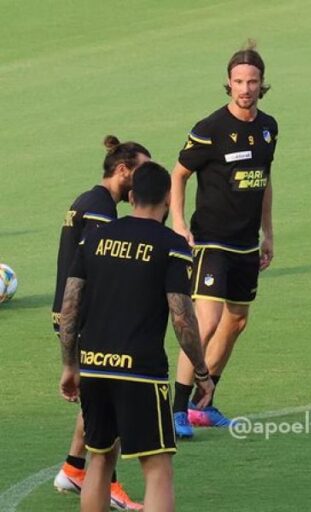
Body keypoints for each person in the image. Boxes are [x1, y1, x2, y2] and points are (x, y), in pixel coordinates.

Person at [58, 161, 214, 512]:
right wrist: (201, 371)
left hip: (94, 365)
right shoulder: (171, 245)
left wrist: (70, 364)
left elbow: (70, 305)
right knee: (158, 469)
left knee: (99, 459)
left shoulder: (94, 238)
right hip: (141, 372)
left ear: (131, 197)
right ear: (168, 198)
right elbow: (182, 317)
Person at [170, 42, 277, 437]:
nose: (245, 88)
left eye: (252, 81)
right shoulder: (210, 129)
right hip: (211, 241)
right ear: (229, 84)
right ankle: (177, 409)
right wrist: (179, 223)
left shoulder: (269, 128)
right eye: (238, 81)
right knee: (207, 321)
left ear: (262, 83)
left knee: (237, 321)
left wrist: (268, 232)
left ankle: (203, 402)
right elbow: (178, 174)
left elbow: (264, 180)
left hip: (246, 243)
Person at [52, 135, 150, 510]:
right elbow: (99, 268)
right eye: (141, 172)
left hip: (71, 314)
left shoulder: (88, 200)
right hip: (88, 318)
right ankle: (108, 483)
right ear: (123, 170)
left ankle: (73, 469)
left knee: (95, 399)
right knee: (113, 398)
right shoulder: (100, 211)